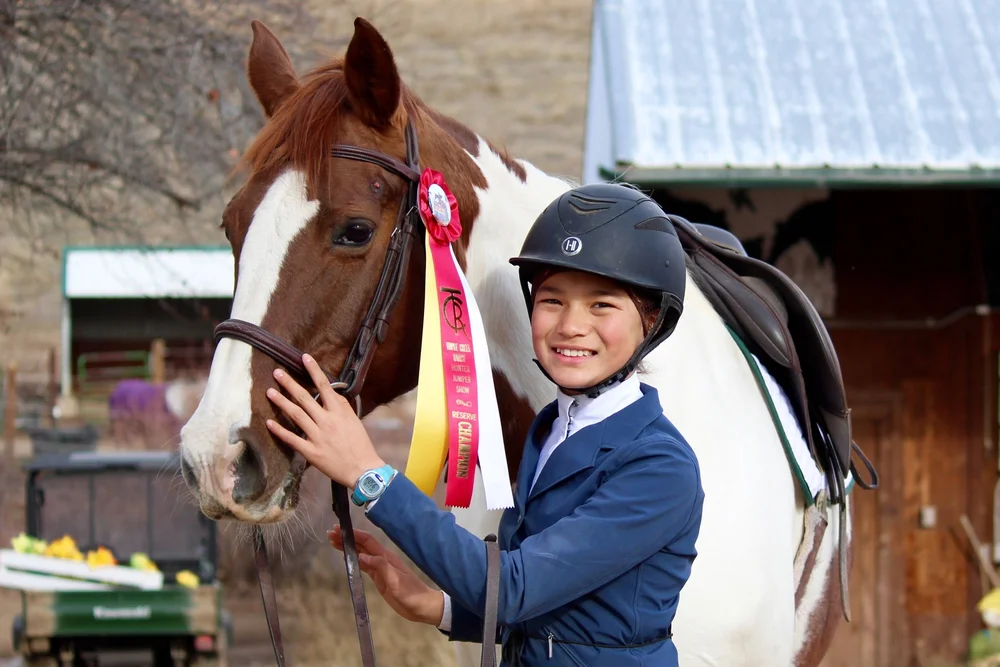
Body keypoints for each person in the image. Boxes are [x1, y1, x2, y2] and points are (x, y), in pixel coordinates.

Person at [264, 183, 705, 666]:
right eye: (553, 301)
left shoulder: (658, 466)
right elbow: (558, 612)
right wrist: (436, 607)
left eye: (602, 305)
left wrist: (371, 476)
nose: (571, 325)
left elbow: (516, 588)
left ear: (652, 320)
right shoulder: (552, 428)